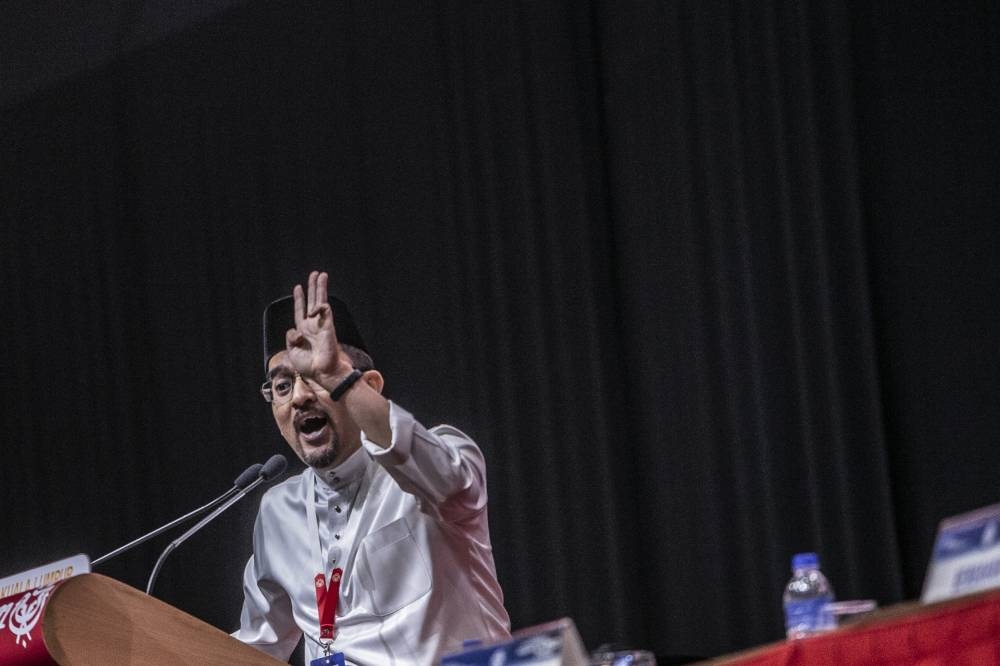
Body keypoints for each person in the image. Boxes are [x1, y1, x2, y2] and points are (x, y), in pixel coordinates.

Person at [233, 271, 510, 664]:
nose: (298, 397)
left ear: (370, 386)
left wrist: (338, 378)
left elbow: (452, 483)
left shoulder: (440, 459)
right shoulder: (278, 512)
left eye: (315, 376)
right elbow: (255, 646)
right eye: (281, 386)